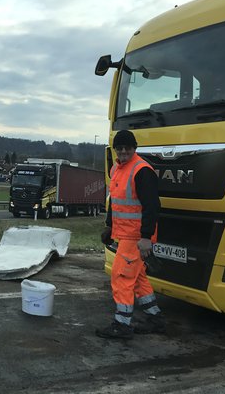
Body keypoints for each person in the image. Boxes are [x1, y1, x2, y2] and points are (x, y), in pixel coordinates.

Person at [96, 129, 165, 339]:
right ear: (116, 149)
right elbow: (116, 202)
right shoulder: (118, 168)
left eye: (127, 147)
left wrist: (146, 237)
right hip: (125, 235)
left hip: (135, 238)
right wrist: (110, 226)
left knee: (121, 277)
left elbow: (152, 206)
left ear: (134, 148)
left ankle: (122, 324)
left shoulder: (141, 170)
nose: (123, 151)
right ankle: (155, 318)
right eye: (120, 148)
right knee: (137, 278)